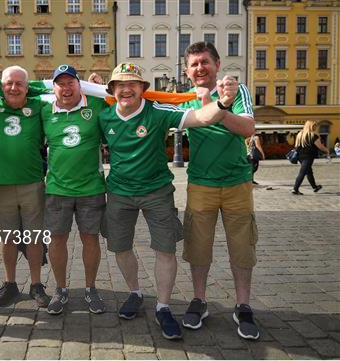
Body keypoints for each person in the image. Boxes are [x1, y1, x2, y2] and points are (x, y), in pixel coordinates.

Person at [98, 62, 237, 339]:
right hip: (119, 192)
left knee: (165, 249)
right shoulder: (104, 117)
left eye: (132, 84)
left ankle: (162, 306)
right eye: (120, 85)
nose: (126, 89)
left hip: (156, 191)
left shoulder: (158, 113)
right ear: (112, 90)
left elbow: (201, 118)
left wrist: (223, 102)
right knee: (119, 246)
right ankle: (135, 293)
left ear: (142, 89)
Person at [177, 41, 259, 340]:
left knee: (242, 246)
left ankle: (243, 305)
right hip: (201, 184)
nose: (200, 68)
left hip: (237, 182)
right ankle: (199, 300)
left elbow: (248, 129)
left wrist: (222, 104)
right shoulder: (183, 98)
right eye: (194, 64)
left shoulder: (237, 89)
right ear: (187, 71)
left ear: (217, 64)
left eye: (205, 62)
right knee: (198, 247)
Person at [41, 65, 108, 315]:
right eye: (61, 83)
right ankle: (60, 289)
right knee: (57, 240)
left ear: (80, 85)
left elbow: (120, 106)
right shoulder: (45, 111)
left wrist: (101, 89)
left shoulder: (97, 107)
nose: (66, 88)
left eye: (71, 83)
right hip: (57, 188)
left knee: (90, 238)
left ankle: (91, 288)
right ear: (54, 87)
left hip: (91, 187)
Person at [0, 66, 50, 308]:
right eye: (8, 83)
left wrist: (30, 85)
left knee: (34, 237)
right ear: (1, 86)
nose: (13, 88)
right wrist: (8, 81)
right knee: (8, 238)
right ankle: (10, 284)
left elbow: (54, 92)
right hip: (1, 184)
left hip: (32, 183)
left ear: (28, 87)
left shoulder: (39, 106)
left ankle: (36, 284)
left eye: (20, 84)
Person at [292, 120, 329, 195]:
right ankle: (295, 189)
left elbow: (296, 146)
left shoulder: (300, 134)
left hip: (300, 156)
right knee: (302, 173)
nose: (315, 127)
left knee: (309, 172)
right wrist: (327, 150)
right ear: (310, 126)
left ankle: (315, 187)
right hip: (308, 157)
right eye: (314, 126)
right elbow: (320, 147)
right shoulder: (313, 136)